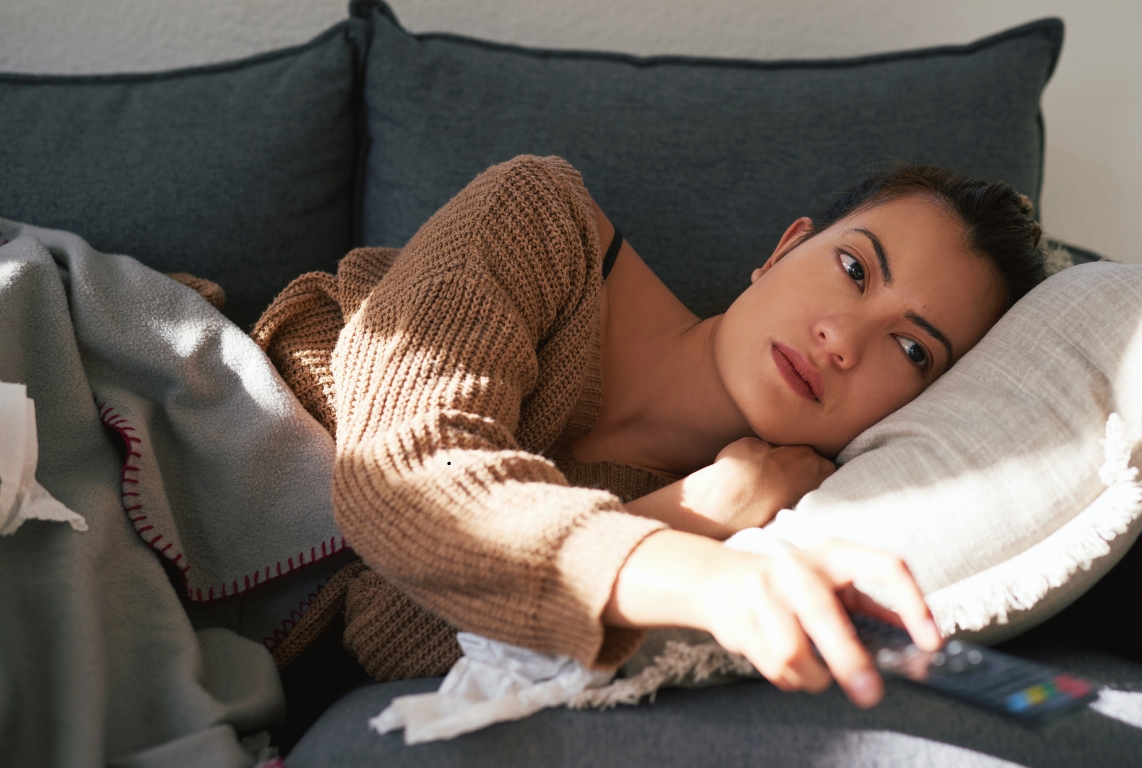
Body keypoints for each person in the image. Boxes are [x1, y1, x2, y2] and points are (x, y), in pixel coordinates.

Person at [254, 155, 1047, 709]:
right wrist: (702, 565)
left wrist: (693, 510)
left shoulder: (764, 508)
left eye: (911, 350)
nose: (844, 338)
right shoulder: (538, 217)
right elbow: (403, 475)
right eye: (853, 268)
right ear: (781, 250)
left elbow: (390, 631)